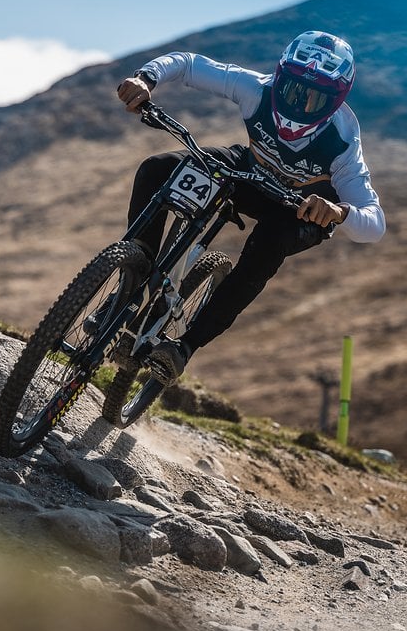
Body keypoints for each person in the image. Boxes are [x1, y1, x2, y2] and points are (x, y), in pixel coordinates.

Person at [115, 30, 385, 384]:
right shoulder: (256, 89)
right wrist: (145, 78)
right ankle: (136, 271)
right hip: (249, 171)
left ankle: (183, 348)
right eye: (293, 90)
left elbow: (375, 222)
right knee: (156, 169)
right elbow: (189, 64)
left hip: (299, 209)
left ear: (336, 101)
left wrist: (338, 213)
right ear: (280, 76)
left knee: (267, 246)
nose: (301, 104)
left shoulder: (343, 142)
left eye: (315, 99)